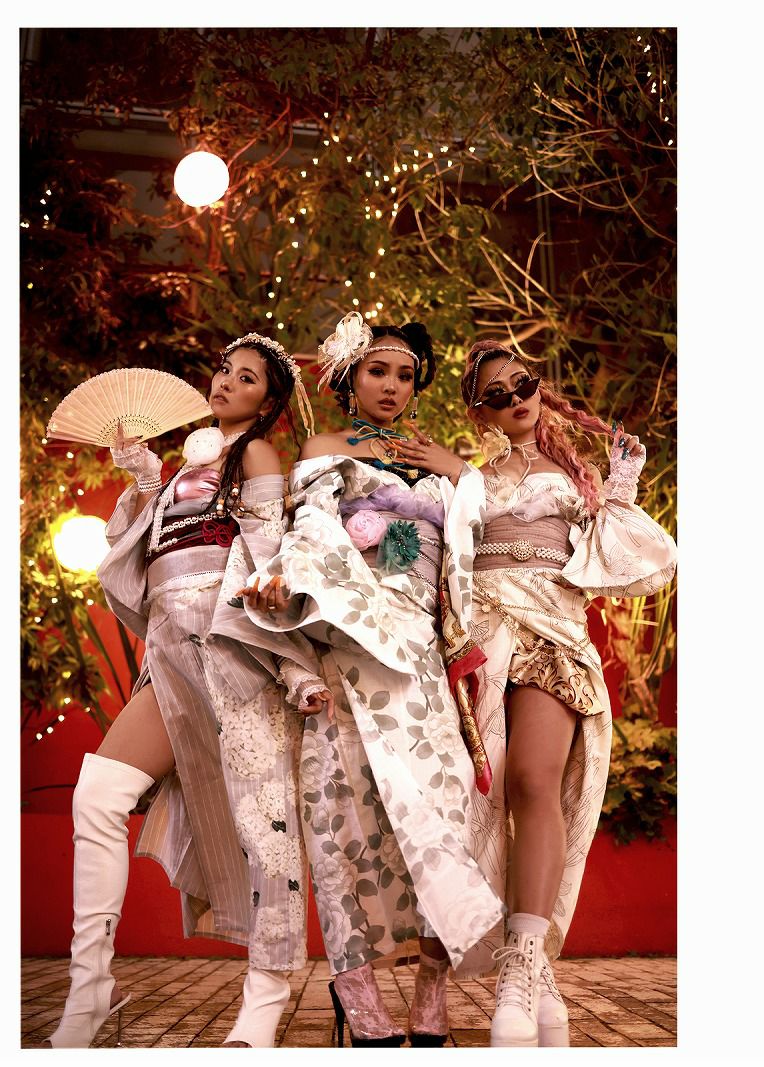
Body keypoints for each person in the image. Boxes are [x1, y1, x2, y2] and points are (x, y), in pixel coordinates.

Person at [46, 334, 330, 1048]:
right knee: (98, 796)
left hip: (235, 646)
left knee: (265, 825)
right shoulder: (184, 465)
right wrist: (147, 482)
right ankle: (90, 988)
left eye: (247, 377)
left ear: (269, 400)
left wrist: (292, 659)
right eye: (224, 369)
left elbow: (269, 552)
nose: (226, 381)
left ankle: (263, 1003)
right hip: (171, 648)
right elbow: (145, 556)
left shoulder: (256, 455)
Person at [397, 339, 677, 1048]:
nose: (515, 398)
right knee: (474, 798)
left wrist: (620, 484)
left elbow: (620, 554)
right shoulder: (468, 477)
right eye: (496, 394)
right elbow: (438, 557)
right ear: (479, 412)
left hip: (551, 635)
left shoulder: (576, 477)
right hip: (481, 643)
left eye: (522, 383)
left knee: (532, 780)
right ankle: (529, 973)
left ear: (538, 386)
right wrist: (456, 477)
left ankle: (522, 966)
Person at [239, 311, 504, 1047]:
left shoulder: (435, 457)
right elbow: (310, 534)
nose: (391, 386)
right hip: (354, 638)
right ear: (349, 376)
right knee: (343, 811)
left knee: (444, 809)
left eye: (405, 375)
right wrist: (289, 581)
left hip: (422, 651)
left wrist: (461, 474)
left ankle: (431, 993)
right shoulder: (324, 448)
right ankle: (356, 991)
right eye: (378, 371)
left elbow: (474, 537)